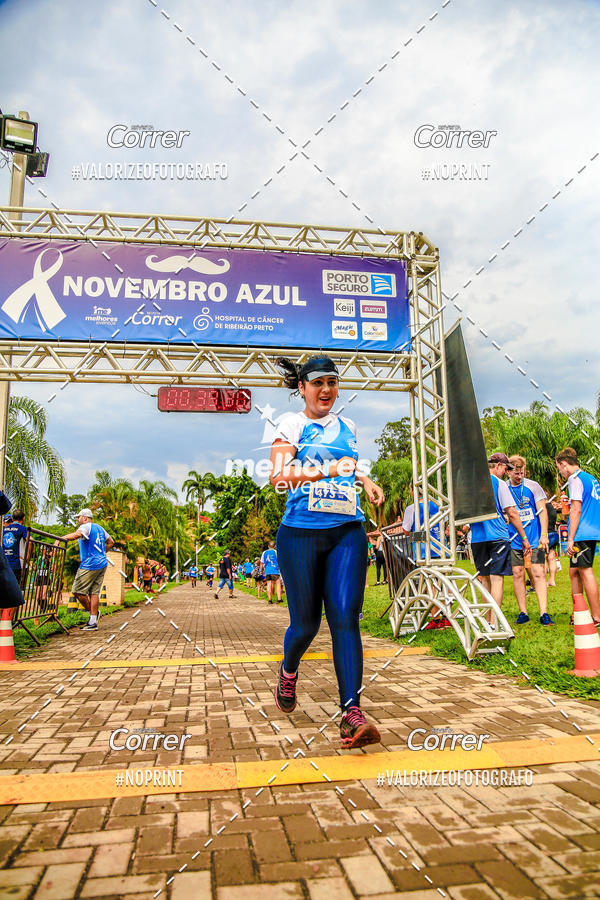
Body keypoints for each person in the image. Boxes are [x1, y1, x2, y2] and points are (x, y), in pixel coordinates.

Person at [270, 355, 385, 749]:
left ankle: (352, 714)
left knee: (345, 619)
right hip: (300, 534)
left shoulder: (348, 425)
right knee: (306, 626)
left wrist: (366, 481)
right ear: (302, 388)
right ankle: (288, 670)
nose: (325, 390)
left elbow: (349, 466)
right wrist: (328, 471)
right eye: (317, 383)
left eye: (332, 382)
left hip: (347, 531)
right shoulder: (293, 425)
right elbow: (279, 477)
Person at [469, 453, 530, 615]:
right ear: (497, 466)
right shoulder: (499, 483)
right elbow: (512, 512)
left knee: (484, 580)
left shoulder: (473, 484)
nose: (505, 472)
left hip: (477, 538)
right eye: (505, 468)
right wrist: (524, 537)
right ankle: (494, 621)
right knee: (497, 578)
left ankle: (488, 621)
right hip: (497, 537)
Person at [506, 455, 553, 625]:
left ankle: (544, 613)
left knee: (539, 572)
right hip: (514, 540)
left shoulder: (533, 487)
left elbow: (542, 511)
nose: (519, 476)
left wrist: (544, 534)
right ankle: (523, 612)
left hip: (534, 540)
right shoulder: (504, 488)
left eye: (522, 473)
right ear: (509, 472)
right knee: (518, 574)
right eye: (516, 473)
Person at [555, 447, 600, 625]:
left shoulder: (575, 480)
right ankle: (578, 612)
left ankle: (596, 616)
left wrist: (570, 538)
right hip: (593, 529)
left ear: (564, 464)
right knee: (574, 571)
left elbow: (576, 509)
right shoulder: (591, 478)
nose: (561, 472)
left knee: (585, 571)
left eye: (559, 468)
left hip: (582, 532)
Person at [58, 508, 114, 631]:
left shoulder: (85, 526)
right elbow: (111, 542)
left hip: (89, 564)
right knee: (94, 592)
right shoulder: (99, 528)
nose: (78, 520)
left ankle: (91, 612)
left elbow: (77, 535)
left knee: (77, 591)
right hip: (102, 563)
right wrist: (103, 552)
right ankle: (93, 620)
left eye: (79, 517)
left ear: (85, 517)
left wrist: (60, 539)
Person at [0, 492, 24, 612]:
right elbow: (5, 505)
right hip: (15, 563)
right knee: (13, 593)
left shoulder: (4, 530)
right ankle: (9, 621)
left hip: (7, 561)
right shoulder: (22, 529)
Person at [2, 509, 28, 588]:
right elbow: (30, 540)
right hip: (18, 564)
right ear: (23, 518)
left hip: (5, 563)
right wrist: (28, 556)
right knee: (18, 589)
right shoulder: (22, 529)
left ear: (12, 519)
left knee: (7, 589)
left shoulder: (4, 530)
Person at [546, 494, 560, 587]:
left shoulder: (543, 507)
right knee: (551, 558)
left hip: (546, 535)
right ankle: (552, 580)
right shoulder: (552, 507)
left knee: (541, 558)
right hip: (554, 534)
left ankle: (542, 581)